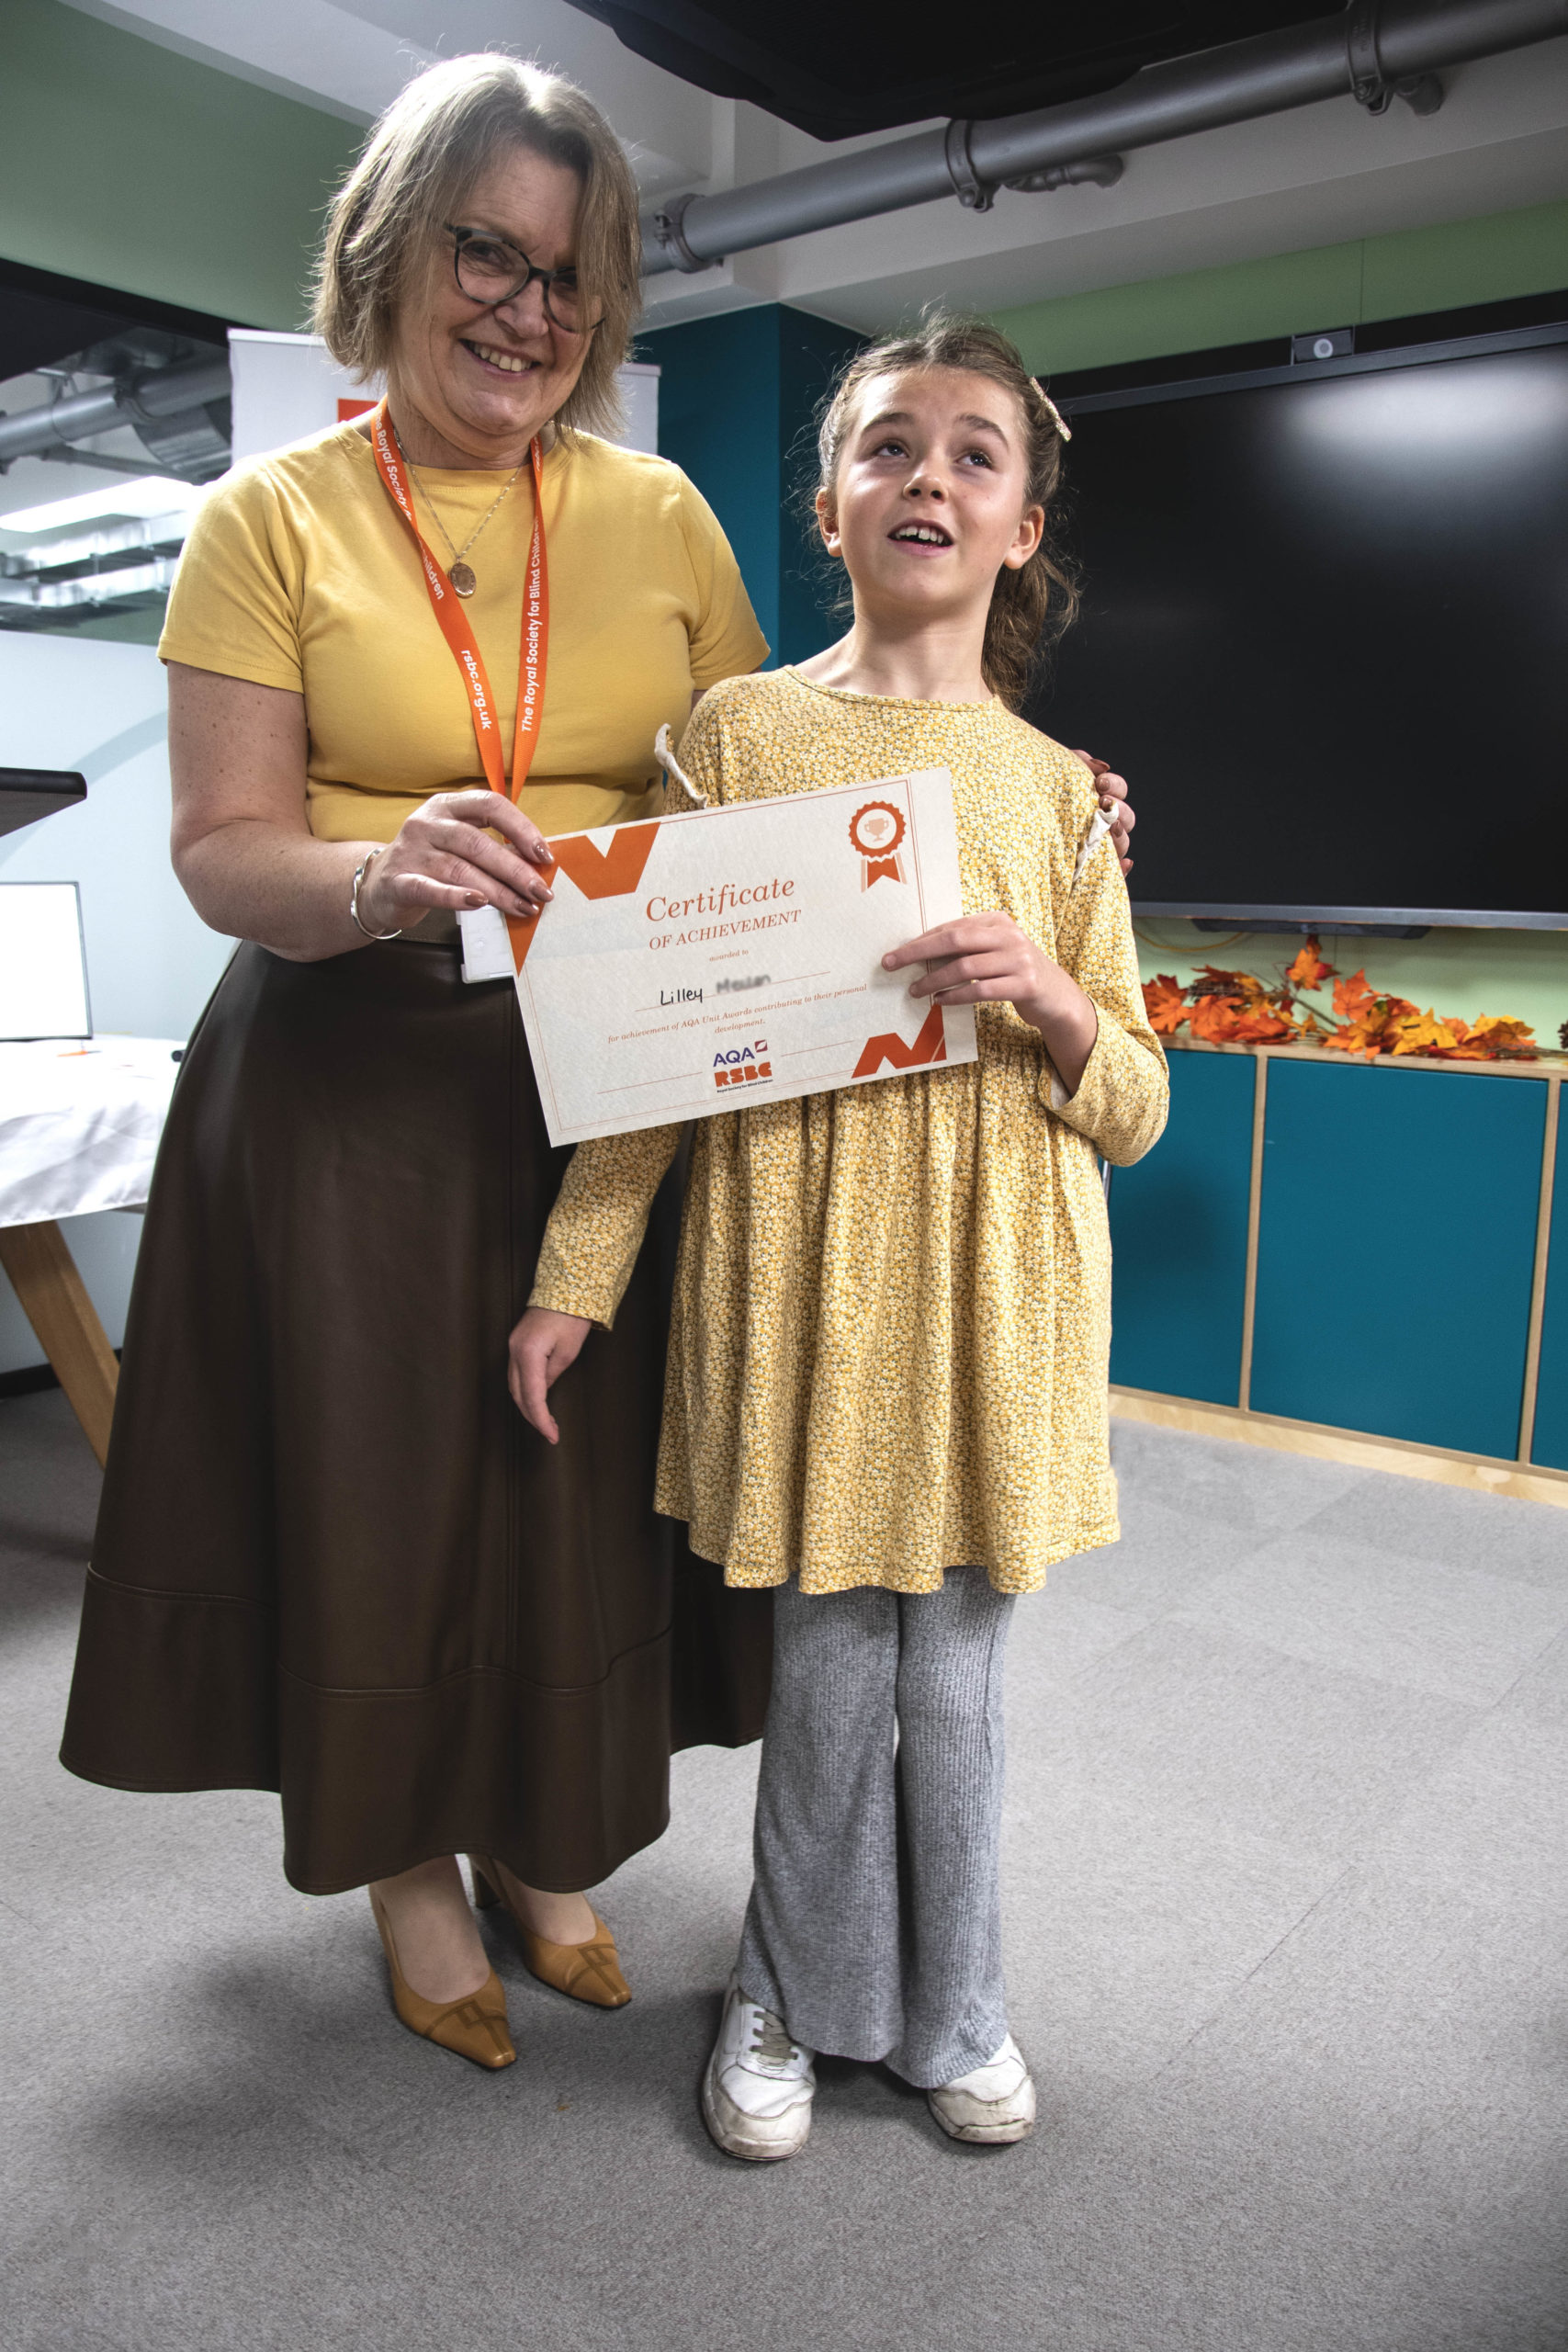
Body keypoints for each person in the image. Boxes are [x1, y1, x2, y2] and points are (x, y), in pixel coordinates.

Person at [59, 53, 780, 2071]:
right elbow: (222, 851)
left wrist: (1020, 804)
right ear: (390, 252)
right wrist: (380, 868)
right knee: (382, 1491)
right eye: (488, 252)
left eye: (570, 278)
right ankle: (401, 1867)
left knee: (571, 1483)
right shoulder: (264, 520)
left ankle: (549, 1845)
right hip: (346, 1083)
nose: (527, 313)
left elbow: (768, 777)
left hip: (600, 1075)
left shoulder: (661, 516)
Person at [514, 315, 1168, 2153]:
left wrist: (1047, 991)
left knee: (954, 1673)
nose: (929, 478)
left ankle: (957, 2007)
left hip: (996, 1284)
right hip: (795, 1271)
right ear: (828, 501)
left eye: (973, 452)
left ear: (1022, 521)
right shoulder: (736, 734)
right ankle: (789, 1996)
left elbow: (1130, 1100)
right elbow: (652, 1037)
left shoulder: (1058, 791)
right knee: (823, 1668)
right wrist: (579, 1274)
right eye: (890, 445)